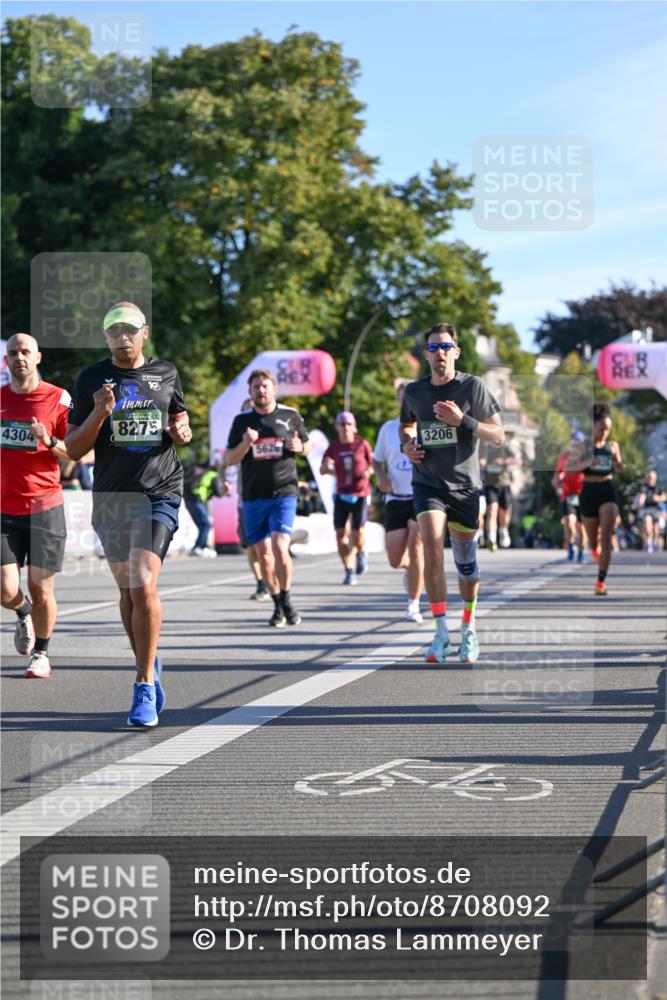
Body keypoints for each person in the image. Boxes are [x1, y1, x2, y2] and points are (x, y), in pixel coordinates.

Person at [65, 301, 192, 727]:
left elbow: (180, 417)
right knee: (128, 594)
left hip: (159, 491)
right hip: (112, 498)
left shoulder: (166, 372)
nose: (123, 337)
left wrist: (182, 430)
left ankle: (142, 685)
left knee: (143, 583)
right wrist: (99, 412)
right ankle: (149, 663)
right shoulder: (90, 379)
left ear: (145, 332)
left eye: (130, 330)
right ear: (105, 336)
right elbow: (74, 449)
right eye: (115, 331)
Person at [400, 322, 504, 664]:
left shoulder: (472, 387)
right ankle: (441, 632)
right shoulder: (414, 392)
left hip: (465, 487)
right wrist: (407, 445)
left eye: (445, 347)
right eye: (433, 348)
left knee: (466, 567)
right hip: (427, 484)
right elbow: (406, 425)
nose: (440, 353)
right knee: (431, 547)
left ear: (456, 352)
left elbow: (498, 436)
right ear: (426, 355)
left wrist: (464, 422)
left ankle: (469, 627)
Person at [1, 333, 72, 678]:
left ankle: (41, 653)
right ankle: (23, 613)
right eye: (13, 353)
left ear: (38, 357)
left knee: (41, 588)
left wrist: (49, 439)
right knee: (6, 590)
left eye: (25, 351)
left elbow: (78, 453)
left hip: (45, 507)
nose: (19, 357)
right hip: (3, 509)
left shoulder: (58, 397)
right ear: (6, 361)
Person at [224, 369, 311, 627]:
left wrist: (300, 448)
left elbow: (307, 446)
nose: (261, 391)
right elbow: (229, 458)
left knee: (280, 547)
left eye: (265, 386)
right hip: (254, 496)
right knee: (263, 555)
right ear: (250, 392)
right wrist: (245, 444)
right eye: (256, 387)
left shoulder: (290, 415)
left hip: (284, 491)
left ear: (274, 389)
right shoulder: (242, 421)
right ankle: (278, 604)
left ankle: (286, 598)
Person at [372, 380, 424, 621]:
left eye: (410, 397)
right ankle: (412, 570)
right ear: (398, 401)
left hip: (421, 495)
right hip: (395, 497)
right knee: (395, 559)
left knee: (417, 548)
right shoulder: (388, 429)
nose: (406, 402)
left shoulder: (427, 427)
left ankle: (413, 605)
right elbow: (376, 461)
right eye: (402, 398)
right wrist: (381, 477)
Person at [575, 403, 624, 596]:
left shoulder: (613, 446)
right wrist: (586, 462)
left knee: (606, 538)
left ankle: (600, 581)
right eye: (601, 429)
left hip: (607, 489)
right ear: (593, 427)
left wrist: (619, 465)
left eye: (607, 429)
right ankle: (595, 552)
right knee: (593, 542)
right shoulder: (584, 445)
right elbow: (571, 467)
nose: (604, 433)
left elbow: (619, 465)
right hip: (588, 491)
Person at [320, 412, 373, 585]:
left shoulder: (362, 444)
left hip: (360, 494)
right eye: (342, 424)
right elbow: (322, 469)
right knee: (340, 535)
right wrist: (327, 468)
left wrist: (368, 472)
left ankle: (361, 552)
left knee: (357, 535)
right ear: (337, 427)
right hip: (341, 494)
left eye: (349, 424)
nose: (345, 427)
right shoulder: (334, 446)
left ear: (354, 426)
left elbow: (374, 464)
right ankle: (349, 570)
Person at [552, 431, 587, 562]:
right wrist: (558, 487)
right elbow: (556, 476)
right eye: (574, 442)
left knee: (581, 527)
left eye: (579, 442)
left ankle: (581, 552)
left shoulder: (586, 458)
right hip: (568, 494)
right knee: (569, 522)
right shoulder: (563, 457)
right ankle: (571, 546)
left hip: (583, 495)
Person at [483, 434, 520, 550]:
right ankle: (492, 538)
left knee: (504, 513)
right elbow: (478, 459)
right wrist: (481, 463)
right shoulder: (484, 447)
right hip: (490, 483)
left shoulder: (506, 447)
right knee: (491, 511)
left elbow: (517, 460)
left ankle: (503, 529)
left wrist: (503, 461)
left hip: (504, 483)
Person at [184, 459, 222, 557]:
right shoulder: (213, 475)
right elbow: (218, 492)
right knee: (206, 525)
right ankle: (197, 547)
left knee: (202, 526)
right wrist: (226, 491)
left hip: (189, 501)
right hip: (196, 501)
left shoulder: (205, 473)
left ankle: (204, 546)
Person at [632, 470, 666, 553]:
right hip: (647, 509)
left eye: (652, 478)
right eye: (649, 478)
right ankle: (649, 542)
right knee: (648, 524)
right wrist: (640, 502)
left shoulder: (659, 487)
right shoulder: (644, 487)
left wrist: (658, 498)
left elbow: (664, 497)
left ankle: (655, 542)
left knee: (656, 529)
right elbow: (642, 496)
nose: (651, 479)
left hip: (656, 509)